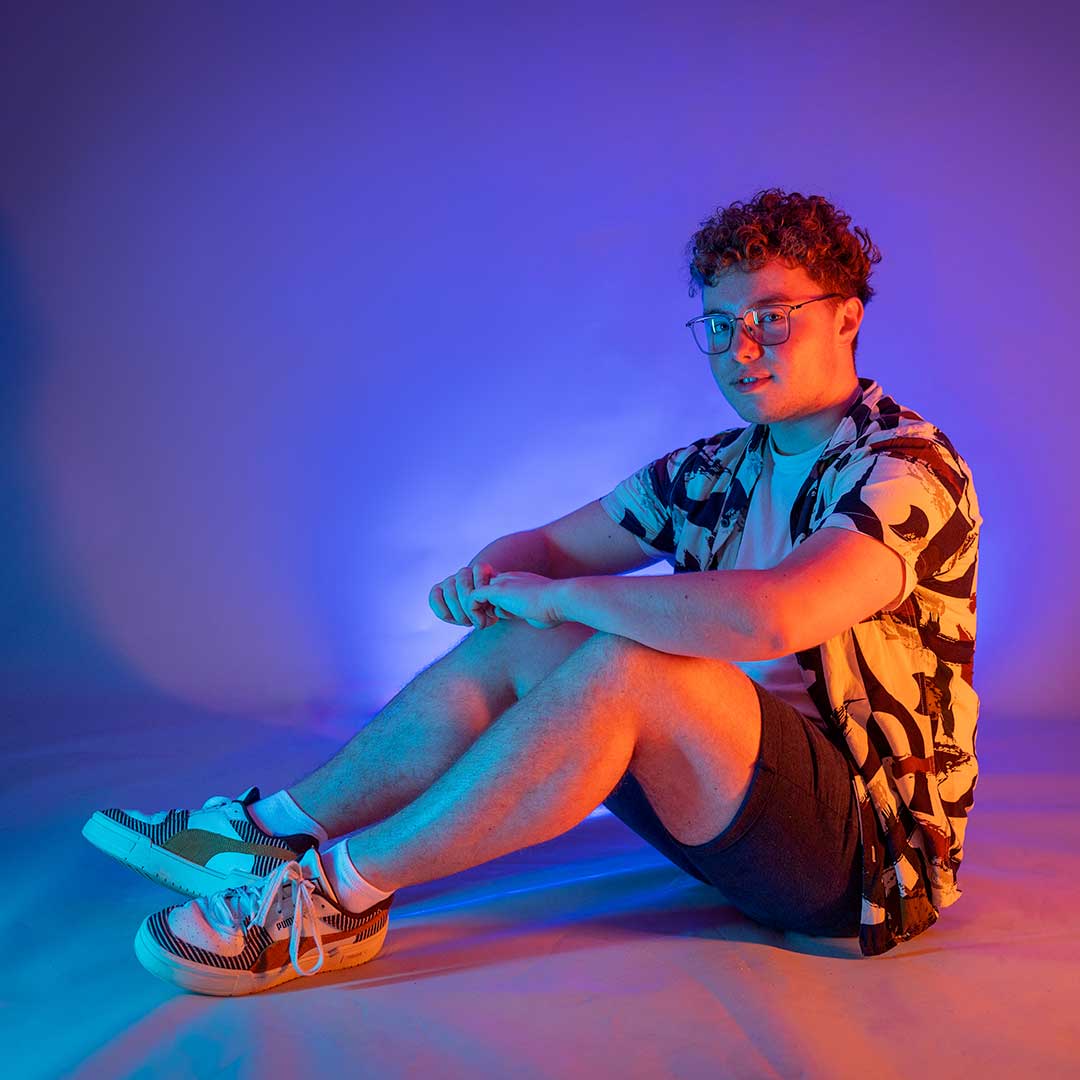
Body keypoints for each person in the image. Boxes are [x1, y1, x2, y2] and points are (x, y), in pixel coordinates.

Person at [83, 187, 982, 995]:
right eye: (719, 324)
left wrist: (564, 597)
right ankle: (270, 832)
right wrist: (495, 576)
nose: (741, 349)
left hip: (865, 867)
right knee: (528, 638)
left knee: (633, 659)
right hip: (735, 809)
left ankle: (334, 894)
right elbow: (551, 546)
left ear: (847, 318)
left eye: (772, 318)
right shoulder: (717, 468)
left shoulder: (904, 467)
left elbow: (773, 616)